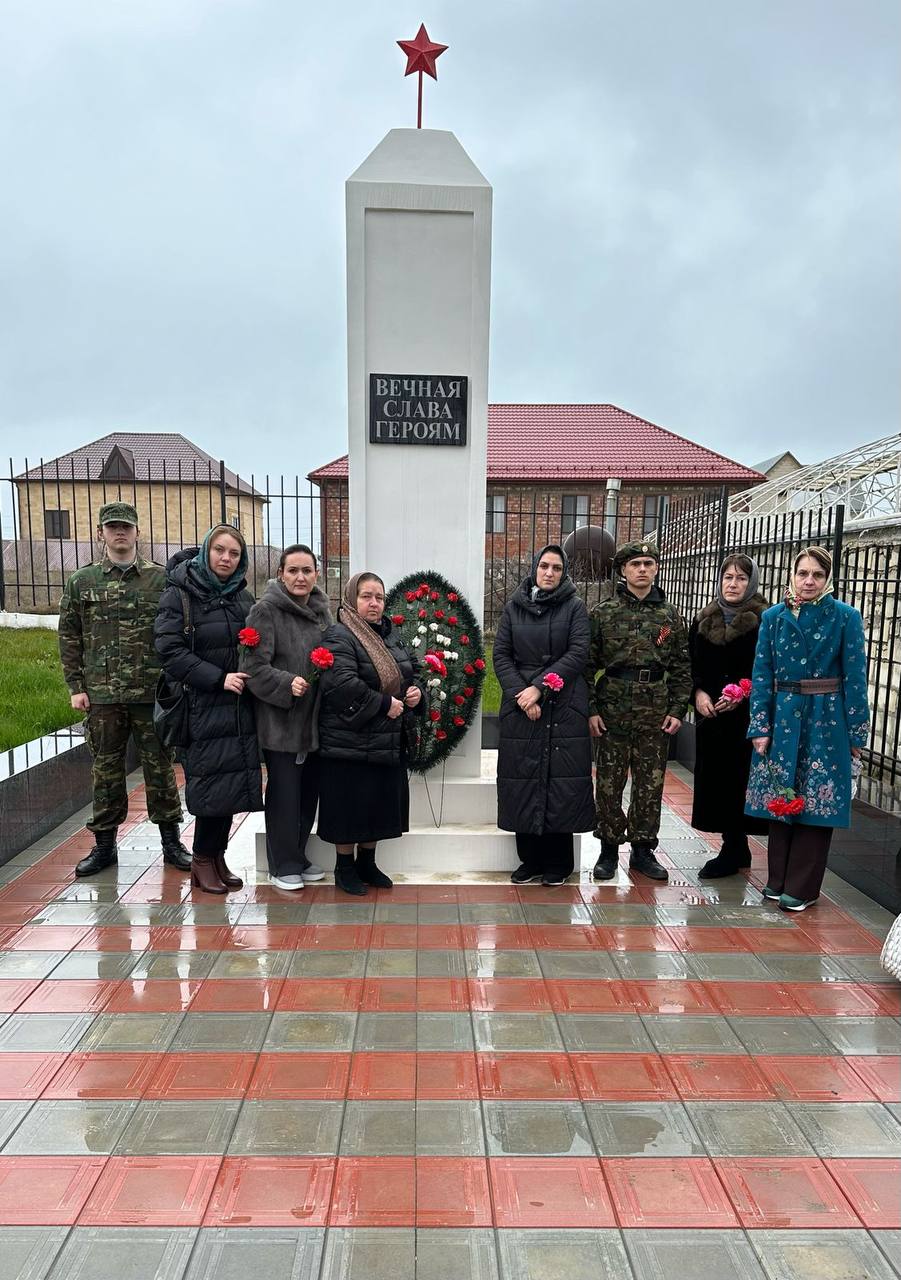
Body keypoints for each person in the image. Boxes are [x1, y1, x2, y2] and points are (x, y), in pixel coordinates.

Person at [58, 501, 190, 878]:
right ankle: (103, 847)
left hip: (151, 694)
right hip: (102, 695)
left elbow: (177, 632)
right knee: (106, 771)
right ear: (101, 533)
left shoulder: (160, 579)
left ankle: (171, 842)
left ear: (136, 532)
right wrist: (76, 686)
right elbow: (69, 635)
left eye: (126, 527)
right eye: (112, 526)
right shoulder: (82, 581)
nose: (120, 533)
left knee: (160, 768)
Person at [745, 546, 869, 911]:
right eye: (803, 573)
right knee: (783, 799)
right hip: (783, 719)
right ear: (792, 575)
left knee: (817, 802)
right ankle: (777, 879)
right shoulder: (773, 617)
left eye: (817, 574)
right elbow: (762, 673)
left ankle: (802, 887)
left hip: (827, 721)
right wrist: (759, 726)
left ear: (828, 578)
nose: (809, 581)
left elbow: (855, 677)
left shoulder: (845, 617)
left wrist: (856, 734)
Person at [154, 524, 263, 894]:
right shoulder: (180, 593)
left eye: (233, 553)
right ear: (206, 551)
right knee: (210, 785)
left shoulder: (241, 597)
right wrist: (218, 678)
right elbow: (169, 651)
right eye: (220, 550)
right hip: (203, 705)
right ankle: (201, 861)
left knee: (231, 785)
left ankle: (218, 857)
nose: (226, 559)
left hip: (237, 706)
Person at [586, 540, 692, 882]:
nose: (642, 569)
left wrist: (678, 708)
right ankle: (608, 849)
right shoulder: (603, 613)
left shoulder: (670, 616)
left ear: (656, 568)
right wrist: (591, 710)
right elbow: (587, 666)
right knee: (609, 782)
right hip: (614, 707)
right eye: (635, 564)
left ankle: (643, 850)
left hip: (655, 710)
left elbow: (681, 666)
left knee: (650, 783)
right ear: (623, 570)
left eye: (648, 563)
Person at [316, 572, 425, 896]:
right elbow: (340, 683)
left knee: (377, 804)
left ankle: (367, 862)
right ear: (352, 599)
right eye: (366, 596)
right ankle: (344, 867)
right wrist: (381, 704)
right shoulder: (340, 635)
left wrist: (417, 691)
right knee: (350, 806)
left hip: (386, 740)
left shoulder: (390, 635)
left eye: (379, 596)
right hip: (349, 740)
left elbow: (411, 670)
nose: (374, 603)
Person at [493, 544, 595, 885]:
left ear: (563, 573)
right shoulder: (513, 608)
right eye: (544, 566)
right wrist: (523, 695)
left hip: (563, 705)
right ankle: (530, 860)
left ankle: (558, 862)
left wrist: (541, 687)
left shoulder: (575, 607)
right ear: (534, 568)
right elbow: (502, 655)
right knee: (522, 779)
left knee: (559, 782)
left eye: (556, 568)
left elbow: (578, 652)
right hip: (521, 705)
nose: (549, 573)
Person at [243, 545, 332, 891]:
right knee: (285, 794)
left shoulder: (322, 612)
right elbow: (252, 667)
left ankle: (298, 853)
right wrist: (286, 683)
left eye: (306, 571)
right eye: (293, 570)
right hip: (282, 722)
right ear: (280, 573)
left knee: (308, 792)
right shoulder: (265, 612)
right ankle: (282, 863)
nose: (300, 577)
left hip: (314, 722)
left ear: (316, 574)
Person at [689, 554, 768, 877]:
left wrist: (743, 693)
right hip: (713, 717)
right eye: (727, 577)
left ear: (752, 583)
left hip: (746, 718)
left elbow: (768, 667)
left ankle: (734, 847)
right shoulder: (704, 619)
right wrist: (698, 693)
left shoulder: (765, 619)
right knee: (716, 781)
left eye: (741, 578)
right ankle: (733, 842)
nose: (733, 584)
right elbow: (691, 664)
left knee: (741, 781)